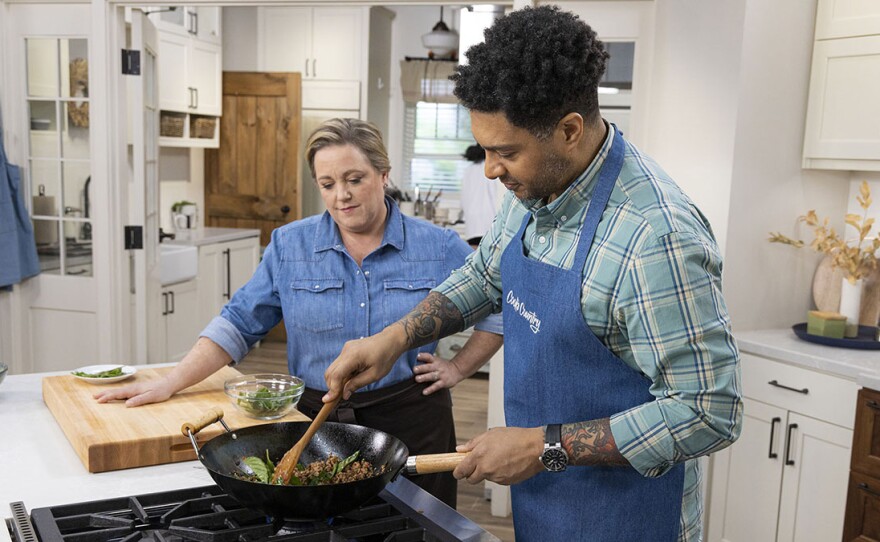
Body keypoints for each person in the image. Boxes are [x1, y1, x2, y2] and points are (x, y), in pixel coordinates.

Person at [322, 7, 742, 541]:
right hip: (546, 500)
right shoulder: (537, 188)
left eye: (506, 152)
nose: (491, 169)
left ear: (569, 130)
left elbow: (710, 411)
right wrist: (393, 337)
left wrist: (543, 447)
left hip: (628, 516)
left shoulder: (654, 238)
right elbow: (485, 275)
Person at [95, 118, 502, 508]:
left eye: (355, 179)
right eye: (327, 184)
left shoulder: (438, 246)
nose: (341, 195)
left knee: (420, 529)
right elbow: (238, 322)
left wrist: (459, 367)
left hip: (413, 420)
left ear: (383, 175)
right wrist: (170, 382)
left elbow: (498, 307)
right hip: (313, 427)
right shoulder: (290, 246)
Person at [459, 144, 498, 247]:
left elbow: (463, 199)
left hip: (472, 225)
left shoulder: (468, 170)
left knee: (475, 259)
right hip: (489, 223)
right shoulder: (491, 168)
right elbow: (497, 197)